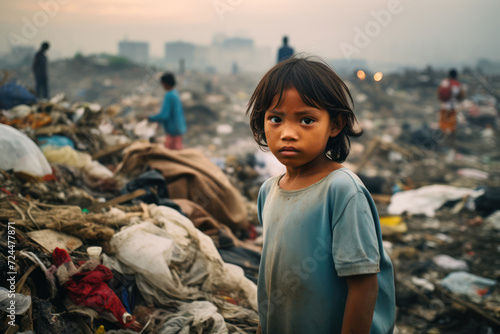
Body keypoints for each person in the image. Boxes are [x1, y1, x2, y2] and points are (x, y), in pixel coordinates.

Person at [247, 56, 395, 334]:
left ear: (335, 125)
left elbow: (363, 286)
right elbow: (272, 279)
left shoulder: (341, 191)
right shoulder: (269, 191)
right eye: (276, 119)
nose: (288, 133)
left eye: (306, 120)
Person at [148, 73, 187, 150]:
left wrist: (151, 118)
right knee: (178, 150)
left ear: (165, 83)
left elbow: (164, 115)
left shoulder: (169, 95)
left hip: (173, 130)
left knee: (172, 153)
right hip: (178, 128)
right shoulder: (175, 93)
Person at [437, 69, 465, 149]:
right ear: (456, 76)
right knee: (452, 127)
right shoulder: (457, 84)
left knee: (443, 126)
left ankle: (442, 144)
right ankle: (451, 145)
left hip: (443, 108)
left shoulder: (444, 82)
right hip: (452, 108)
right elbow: (461, 96)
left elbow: (439, 94)